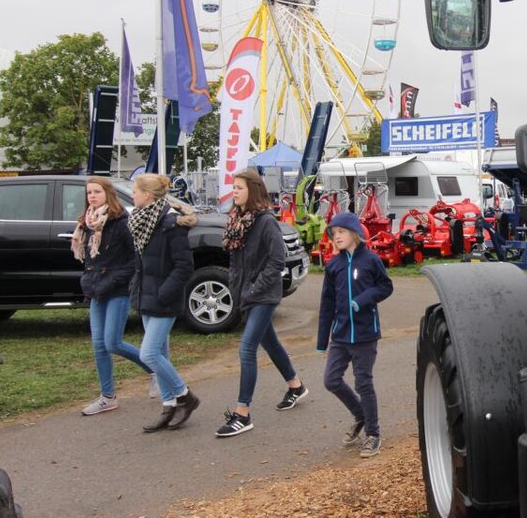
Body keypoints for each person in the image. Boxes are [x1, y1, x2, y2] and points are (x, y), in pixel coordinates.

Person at [215, 169, 308, 438]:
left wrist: (255, 288)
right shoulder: (236, 220)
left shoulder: (266, 222)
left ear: (253, 191)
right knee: (270, 343)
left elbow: (277, 261)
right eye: (233, 188)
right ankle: (296, 385)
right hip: (246, 293)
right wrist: (236, 286)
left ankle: (242, 414)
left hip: (264, 294)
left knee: (247, 349)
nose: (235, 192)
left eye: (239, 188)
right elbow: (233, 258)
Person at [317, 212, 393, 458]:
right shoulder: (333, 265)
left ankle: (373, 433)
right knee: (331, 380)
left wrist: (362, 300)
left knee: (363, 382)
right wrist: (321, 340)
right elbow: (326, 303)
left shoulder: (371, 260)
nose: (336, 237)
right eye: (333, 233)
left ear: (354, 234)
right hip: (340, 335)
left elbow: (385, 286)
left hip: (364, 334)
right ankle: (360, 415)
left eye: (340, 232)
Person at [71, 177, 149, 416]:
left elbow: (133, 260)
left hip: (117, 289)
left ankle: (155, 367)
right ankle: (108, 396)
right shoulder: (87, 223)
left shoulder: (121, 221)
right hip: (96, 290)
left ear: (108, 194)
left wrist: (112, 279)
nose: (92, 196)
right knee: (98, 345)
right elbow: (89, 258)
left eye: (96, 192)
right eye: (89, 193)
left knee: (112, 342)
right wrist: (88, 280)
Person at [129, 173, 201, 433]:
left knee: (148, 355)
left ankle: (186, 396)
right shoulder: (142, 221)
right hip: (147, 295)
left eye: (135, 191)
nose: (133, 195)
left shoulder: (171, 225)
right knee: (160, 354)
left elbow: (184, 266)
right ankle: (169, 405)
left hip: (163, 299)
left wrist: (163, 293)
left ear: (148, 195)